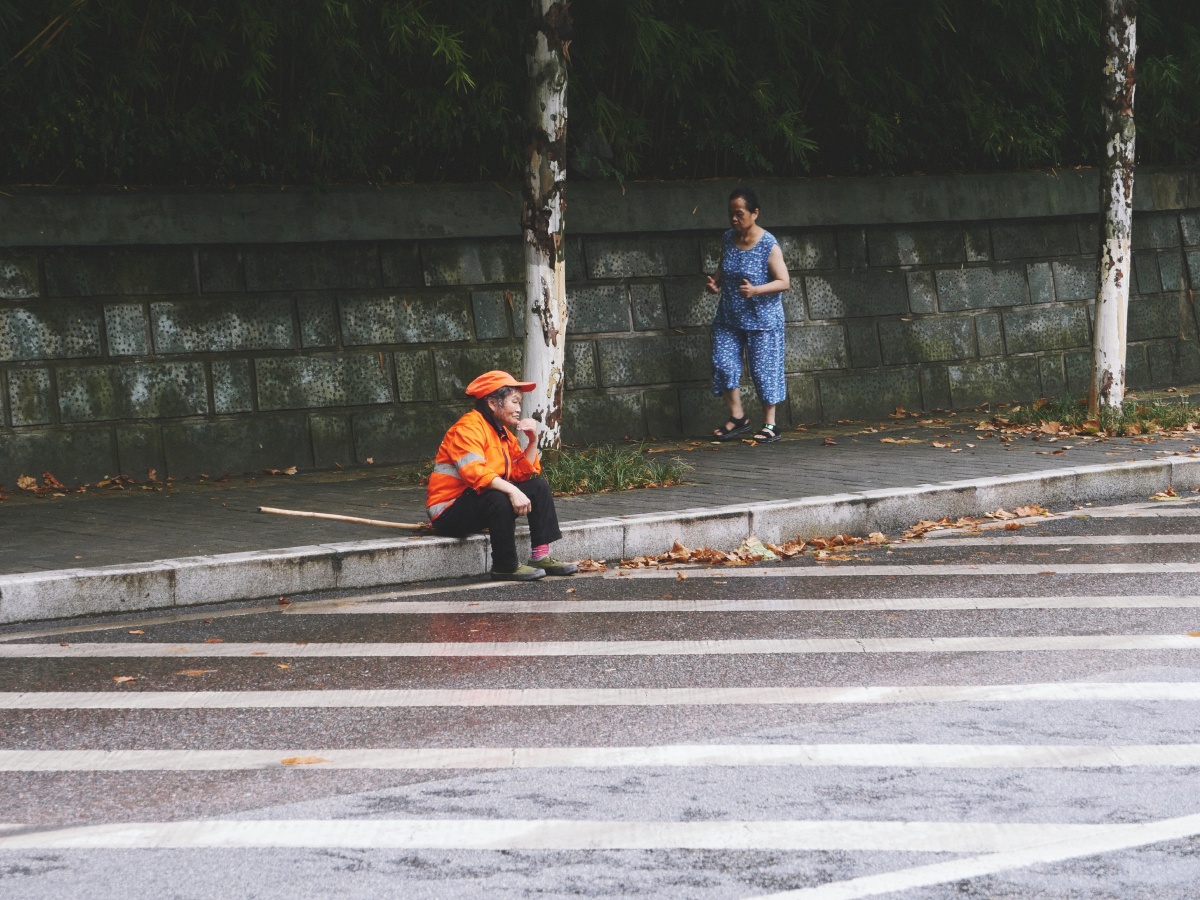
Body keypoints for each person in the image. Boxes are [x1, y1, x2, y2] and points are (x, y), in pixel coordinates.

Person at [426, 370, 578, 581]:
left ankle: (540, 556)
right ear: (491, 403)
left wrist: (533, 440)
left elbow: (520, 474)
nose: (518, 409)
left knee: (539, 487)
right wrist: (512, 491)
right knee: (499, 497)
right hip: (448, 511)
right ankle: (504, 566)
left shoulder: (502, 432)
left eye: (519, 402)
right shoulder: (468, 428)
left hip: (477, 502)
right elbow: (475, 474)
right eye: (514, 402)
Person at [704, 186, 792, 443]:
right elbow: (724, 266)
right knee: (722, 363)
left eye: (739, 213)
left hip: (762, 320)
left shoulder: (768, 244)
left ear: (755, 213)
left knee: (763, 372)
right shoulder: (728, 238)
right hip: (729, 316)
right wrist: (715, 282)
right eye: (731, 213)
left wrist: (756, 290)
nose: (734, 218)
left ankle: (770, 425)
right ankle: (738, 418)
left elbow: (784, 281)